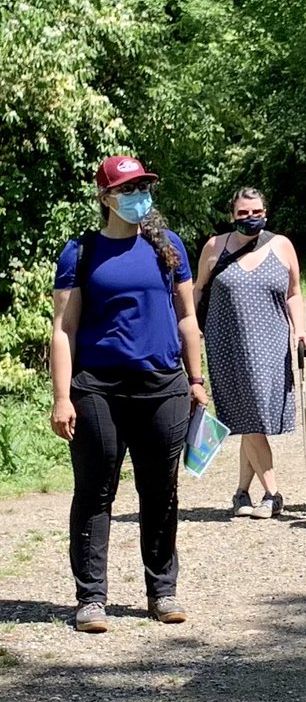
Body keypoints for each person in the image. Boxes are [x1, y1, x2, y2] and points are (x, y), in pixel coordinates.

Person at [49, 155, 207, 633]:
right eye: (128, 188)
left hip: (163, 385)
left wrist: (196, 380)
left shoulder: (169, 246)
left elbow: (186, 319)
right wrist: (61, 395)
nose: (139, 195)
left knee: (160, 492)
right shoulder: (79, 252)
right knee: (96, 492)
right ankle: (91, 598)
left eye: (143, 186)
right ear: (106, 197)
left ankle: (163, 591)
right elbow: (63, 328)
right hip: (97, 387)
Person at [194, 188, 306, 519]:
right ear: (232, 215)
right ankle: (273, 494)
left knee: (254, 417)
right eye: (243, 213)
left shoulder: (282, 245)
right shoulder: (215, 247)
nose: (250, 217)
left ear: (266, 211)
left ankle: (242, 493)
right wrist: (189, 327)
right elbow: (199, 288)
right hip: (226, 344)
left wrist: (300, 329)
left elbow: (294, 293)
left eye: (256, 211)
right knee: (249, 417)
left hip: (272, 345)